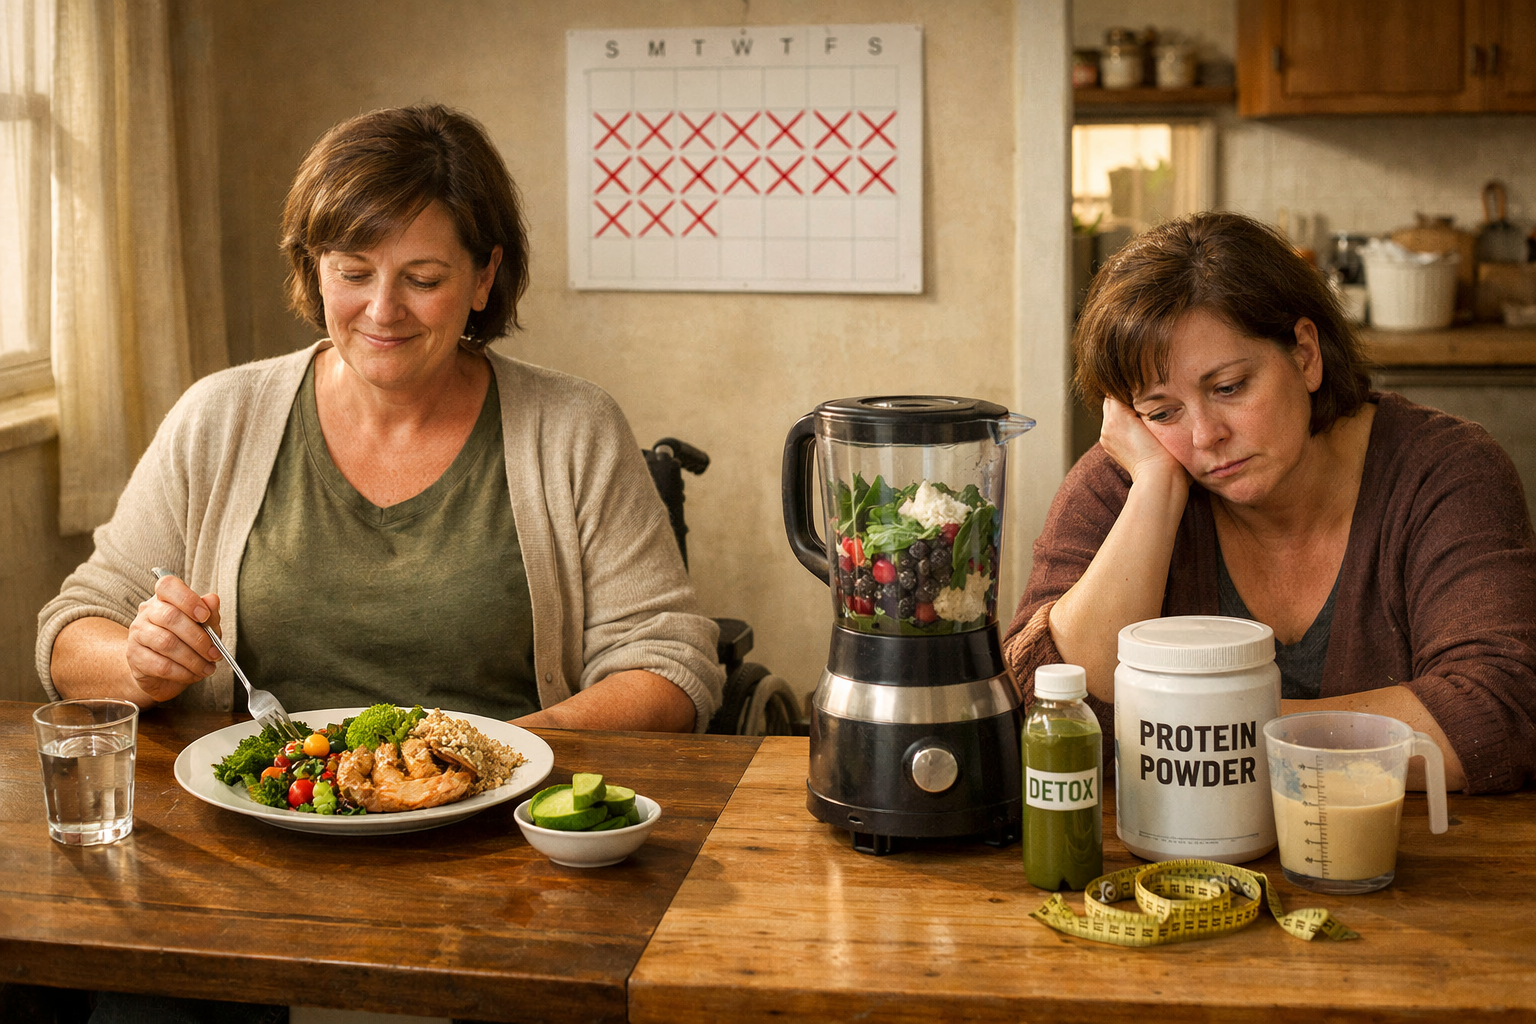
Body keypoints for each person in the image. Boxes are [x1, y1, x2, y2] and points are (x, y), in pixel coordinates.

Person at [38, 104, 724, 734]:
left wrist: (497, 756)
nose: (383, 310)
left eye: (423, 278)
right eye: (353, 273)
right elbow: (71, 631)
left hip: (501, 828)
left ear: (485, 277)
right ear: (314, 267)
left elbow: (670, 665)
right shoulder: (220, 416)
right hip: (266, 819)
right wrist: (139, 665)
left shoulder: (575, 428)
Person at [1004, 212, 1536, 794]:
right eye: (1162, 411)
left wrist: (1205, 730)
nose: (1205, 436)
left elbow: (1500, 711)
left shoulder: (1445, 472)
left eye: (1229, 387)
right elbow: (1046, 705)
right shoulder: (1128, 481)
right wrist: (1156, 486)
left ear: (1305, 354)